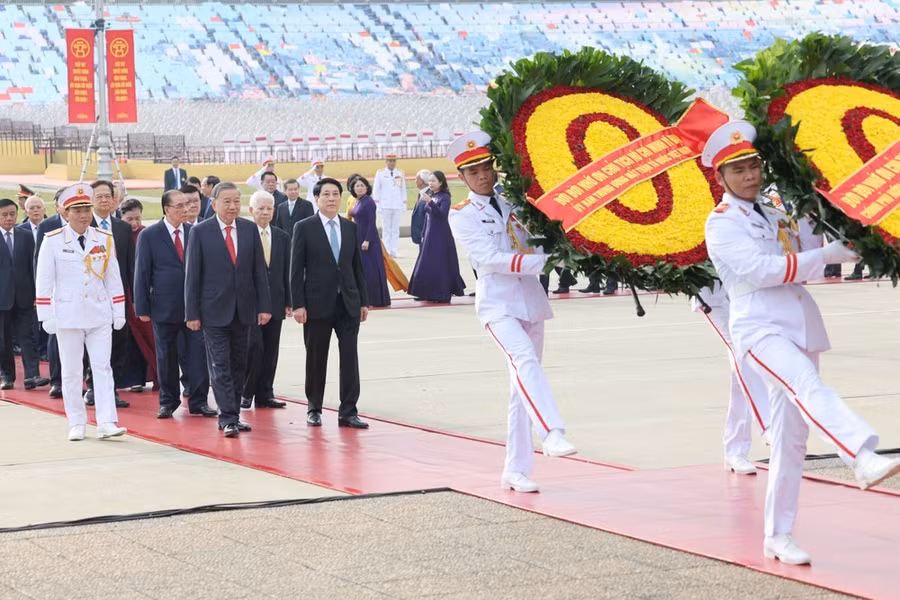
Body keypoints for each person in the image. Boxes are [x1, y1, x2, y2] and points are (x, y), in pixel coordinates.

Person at [703, 120, 900, 565]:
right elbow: (763, 271)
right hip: (759, 329)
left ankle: (778, 535)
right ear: (720, 177)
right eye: (738, 170)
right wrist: (824, 257)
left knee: (792, 439)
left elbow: (805, 245)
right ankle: (861, 455)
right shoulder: (721, 224)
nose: (749, 175)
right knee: (807, 385)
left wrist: (828, 220)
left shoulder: (774, 211)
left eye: (753, 165)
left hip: (799, 325)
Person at [447, 131, 577, 494]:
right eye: (473, 172)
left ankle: (515, 470)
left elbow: (540, 234)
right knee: (524, 362)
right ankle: (551, 431)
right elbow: (487, 259)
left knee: (521, 386)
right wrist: (540, 262)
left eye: (487, 168)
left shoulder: (516, 201)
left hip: (531, 301)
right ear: (463, 178)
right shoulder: (462, 215)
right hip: (498, 303)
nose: (483, 176)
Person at [35, 185, 127, 441]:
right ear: (66, 213)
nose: (84, 215)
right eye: (78, 210)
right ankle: (76, 421)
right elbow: (43, 280)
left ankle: (107, 421)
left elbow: (113, 277)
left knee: (102, 367)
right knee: (72, 371)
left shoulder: (103, 238)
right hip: (68, 314)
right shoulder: (52, 240)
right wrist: (46, 315)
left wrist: (118, 309)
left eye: (87, 209)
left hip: (98, 314)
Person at [185, 182, 271, 437]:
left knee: (238, 365)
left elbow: (258, 272)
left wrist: (264, 306)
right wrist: (192, 313)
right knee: (220, 365)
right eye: (227, 202)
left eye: (237, 201)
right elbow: (192, 276)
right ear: (213, 204)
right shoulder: (200, 232)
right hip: (213, 312)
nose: (233, 206)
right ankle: (228, 417)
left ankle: (232, 413)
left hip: (244, 311)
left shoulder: (248, 229)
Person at [291, 177, 369, 429]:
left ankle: (348, 410)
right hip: (316, 305)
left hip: (347, 303)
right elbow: (295, 270)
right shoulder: (304, 227)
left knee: (350, 358)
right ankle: (314, 407)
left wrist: (363, 301)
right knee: (316, 357)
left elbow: (357, 268)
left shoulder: (350, 227)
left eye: (336, 194)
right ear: (317, 198)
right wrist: (298, 304)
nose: (332, 199)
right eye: (326, 194)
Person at [135, 190, 214, 419]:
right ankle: (168, 401)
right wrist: (142, 308)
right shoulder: (150, 235)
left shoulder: (195, 232)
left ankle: (199, 401)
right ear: (166, 209)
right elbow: (142, 273)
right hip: (164, 307)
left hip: (194, 309)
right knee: (166, 357)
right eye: (179, 206)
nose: (185, 209)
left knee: (198, 355)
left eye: (187, 205)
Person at [693, 283, 772, 474]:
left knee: (741, 375)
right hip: (712, 298)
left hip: (742, 294)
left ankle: (735, 450)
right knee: (742, 352)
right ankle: (768, 423)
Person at [84, 180, 134, 408]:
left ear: (115, 200)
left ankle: (111, 389)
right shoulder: (84, 225)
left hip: (118, 296)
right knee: (93, 343)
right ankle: (93, 386)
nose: (104, 200)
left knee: (118, 342)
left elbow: (130, 265)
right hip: (91, 296)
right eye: (99, 196)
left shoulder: (122, 227)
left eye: (108, 196)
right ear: (91, 200)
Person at [241, 191, 290, 410]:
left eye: (269, 208)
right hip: (251, 304)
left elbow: (287, 271)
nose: (265, 212)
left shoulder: (281, 236)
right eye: (260, 208)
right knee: (254, 349)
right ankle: (245, 392)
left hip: (276, 301)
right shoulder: (243, 235)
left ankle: (265, 393)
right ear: (251, 210)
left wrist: (290, 300)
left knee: (271, 350)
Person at [0, 198, 48, 390]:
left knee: (28, 336)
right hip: (2, 299)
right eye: (4, 215)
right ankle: (7, 376)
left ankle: (32, 375)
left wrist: (37, 293)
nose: (9, 218)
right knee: (3, 341)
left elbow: (34, 266)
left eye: (12, 214)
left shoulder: (26, 236)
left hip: (24, 296)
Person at [407, 171, 465, 303]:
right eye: (430, 181)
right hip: (429, 233)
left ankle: (441, 293)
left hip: (440, 234)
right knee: (426, 262)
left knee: (439, 263)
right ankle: (424, 292)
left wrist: (430, 202)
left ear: (441, 182)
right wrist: (423, 233)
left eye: (433, 181)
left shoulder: (445, 197)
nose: (431, 184)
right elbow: (428, 216)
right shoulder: (432, 195)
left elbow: (442, 215)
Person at [119, 198, 157, 392]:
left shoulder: (146, 234)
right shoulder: (117, 233)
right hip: (123, 291)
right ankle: (133, 379)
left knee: (147, 336)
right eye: (129, 219)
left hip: (142, 293)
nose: (134, 223)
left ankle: (153, 375)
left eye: (137, 218)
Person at [36, 188, 67, 399]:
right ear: (57, 205)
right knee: (55, 339)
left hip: (78, 295)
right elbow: (39, 261)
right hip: (56, 294)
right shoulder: (48, 226)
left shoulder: (88, 223)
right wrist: (41, 297)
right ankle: (56, 381)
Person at [348, 175, 390, 307]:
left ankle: (374, 299)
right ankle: (365, 298)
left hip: (368, 240)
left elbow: (372, 223)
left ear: (367, 187)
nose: (360, 188)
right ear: (353, 189)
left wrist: (367, 240)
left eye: (362, 186)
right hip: (359, 237)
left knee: (371, 270)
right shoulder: (358, 201)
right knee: (363, 270)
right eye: (357, 186)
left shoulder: (369, 202)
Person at [372, 154, 407, 258]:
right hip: (385, 205)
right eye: (390, 161)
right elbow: (376, 190)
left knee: (395, 229)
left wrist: (404, 203)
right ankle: (387, 250)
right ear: (386, 162)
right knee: (386, 228)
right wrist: (377, 205)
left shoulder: (399, 173)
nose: (392, 163)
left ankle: (394, 250)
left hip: (396, 204)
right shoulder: (380, 173)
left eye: (393, 161)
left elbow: (402, 189)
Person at [410, 169, 431, 247]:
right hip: (421, 235)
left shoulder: (429, 194)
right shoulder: (422, 193)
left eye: (417, 179)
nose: (415, 181)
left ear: (422, 181)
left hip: (426, 234)